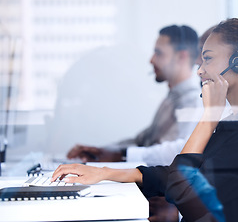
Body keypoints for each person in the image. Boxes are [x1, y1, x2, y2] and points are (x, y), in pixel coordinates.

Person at [52, 18, 238, 222]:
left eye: (207, 59)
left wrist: (209, 118)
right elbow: (179, 174)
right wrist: (104, 173)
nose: (200, 71)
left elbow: (179, 184)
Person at [66, 25, 202, 165]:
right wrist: (100, 151)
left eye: (159, 53)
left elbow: (179, 152)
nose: (151, 60)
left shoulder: (192, 102)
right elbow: (142, 141)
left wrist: (121, 155)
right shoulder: (172, 98)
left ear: (181, 57)